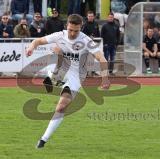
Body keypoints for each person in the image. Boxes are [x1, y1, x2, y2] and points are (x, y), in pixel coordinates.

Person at [26, 14, 110, 148]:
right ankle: (52, 77)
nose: (72, 33)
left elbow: (102, 59)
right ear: (67, 26)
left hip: (76, 75)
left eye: (76, 31)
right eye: (70, 29)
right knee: (57, 50)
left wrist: (105, 78)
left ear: (81, 28)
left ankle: (43, 139)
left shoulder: (86, 41)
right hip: (59, 67)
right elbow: (37, 41)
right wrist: (31, 48)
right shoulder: (60, 35)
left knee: (61, 107)